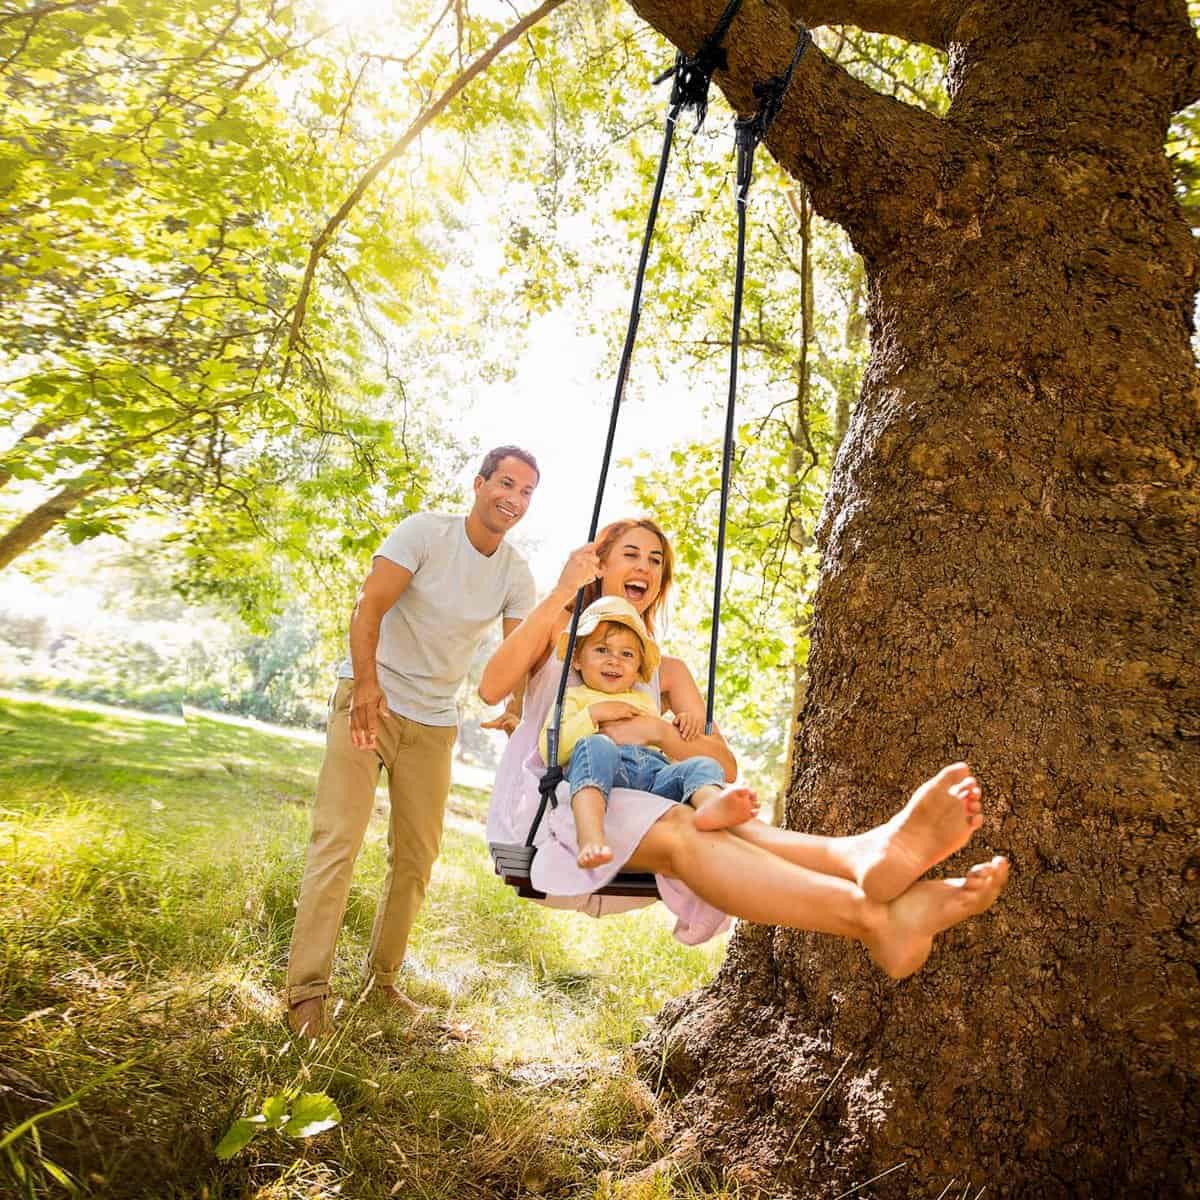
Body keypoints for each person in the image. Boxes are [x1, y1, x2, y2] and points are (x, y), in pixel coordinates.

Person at [482, 517, 1009, 978]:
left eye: (656, 560)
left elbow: (722, 763)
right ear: (597, 564)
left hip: (640, 792)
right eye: (631, 554)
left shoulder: (664, 671)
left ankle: (860, 858)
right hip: (561, 801)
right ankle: (871, 913)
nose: (645, 566)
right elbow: (491, 686)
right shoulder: (559, 640)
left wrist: (660, 734)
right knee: (688, 828)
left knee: (711, 810)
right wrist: (561, 593)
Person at [286, 446, 540, 1037]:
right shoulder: (425, 532)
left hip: (432, 721)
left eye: (527, 492)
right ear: (479, 485)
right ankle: (306, 994)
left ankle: (382, 981)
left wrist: (518, 707)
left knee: (417, 856)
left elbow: (520, 652)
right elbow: (368, 605)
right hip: (369, 702)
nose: (515, 499)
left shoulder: (514, 572)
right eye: (506, 483)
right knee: (337, 842)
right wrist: (368, 685)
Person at [540, 594, 760, 868]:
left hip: (653, 777)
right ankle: (591, 837)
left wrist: (681, 727)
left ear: (637, 670)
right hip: (603, 769)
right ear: (577, 661)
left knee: (700, 764)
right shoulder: (573, 698)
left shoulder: (645, 701)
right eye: (601, 650)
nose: (614, 661)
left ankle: (710, 806)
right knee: (597, 745)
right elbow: (550, 749)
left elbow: (661, 742)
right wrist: (593, 715)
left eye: (627, 654)